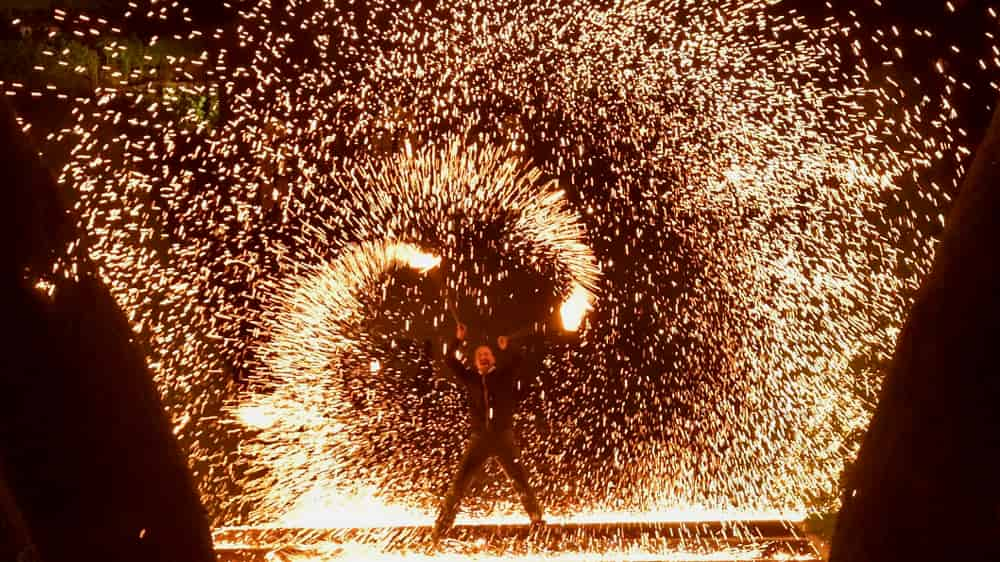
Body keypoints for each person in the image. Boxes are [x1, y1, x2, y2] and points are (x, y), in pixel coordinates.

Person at [432, 321, 545, 540]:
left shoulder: (504, 375)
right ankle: (441, 528)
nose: (484, 356)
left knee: (520, 480)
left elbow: (519, 358)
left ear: (492, 359)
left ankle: (537, 522)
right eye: (480, 355)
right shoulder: (471, 378)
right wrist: (458, 339)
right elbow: (448, 359)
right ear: (476, 362)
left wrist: (507, 347)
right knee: (459, 483)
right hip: (480, 439)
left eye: (487, 354)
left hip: (503, 436)